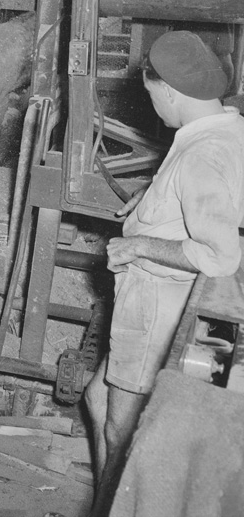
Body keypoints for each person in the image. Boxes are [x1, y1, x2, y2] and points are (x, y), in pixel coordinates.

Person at [85, 30, 244, 514]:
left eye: (152, 93)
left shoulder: (201, 155)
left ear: (171, 91)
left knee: (122, 429)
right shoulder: (226, 129)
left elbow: (219, 254)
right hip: (175, 304)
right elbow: (207, 194)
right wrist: (153, 197)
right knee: (97, 398)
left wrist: (138, 244)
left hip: (158, 307)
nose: (152, 105)